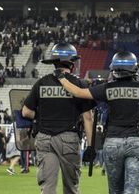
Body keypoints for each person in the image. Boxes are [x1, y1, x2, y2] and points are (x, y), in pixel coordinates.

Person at [58, 50, 139, 194]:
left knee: (114, 191)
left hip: (113, 142)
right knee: (132, 189)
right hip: (137, 141)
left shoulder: (108, 88)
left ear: (113, 69)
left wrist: (61, 78)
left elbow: (78, 92)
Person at [21, 43, 96, 194]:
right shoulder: (79, 84)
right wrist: (90, 146)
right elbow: (88, 118)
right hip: (69, 138)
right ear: (72, 63)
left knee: (47, 187)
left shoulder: (41, 83)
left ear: (54, 62)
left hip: (44, 138)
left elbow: (26, 112)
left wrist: (41, 117)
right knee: (71, 188)